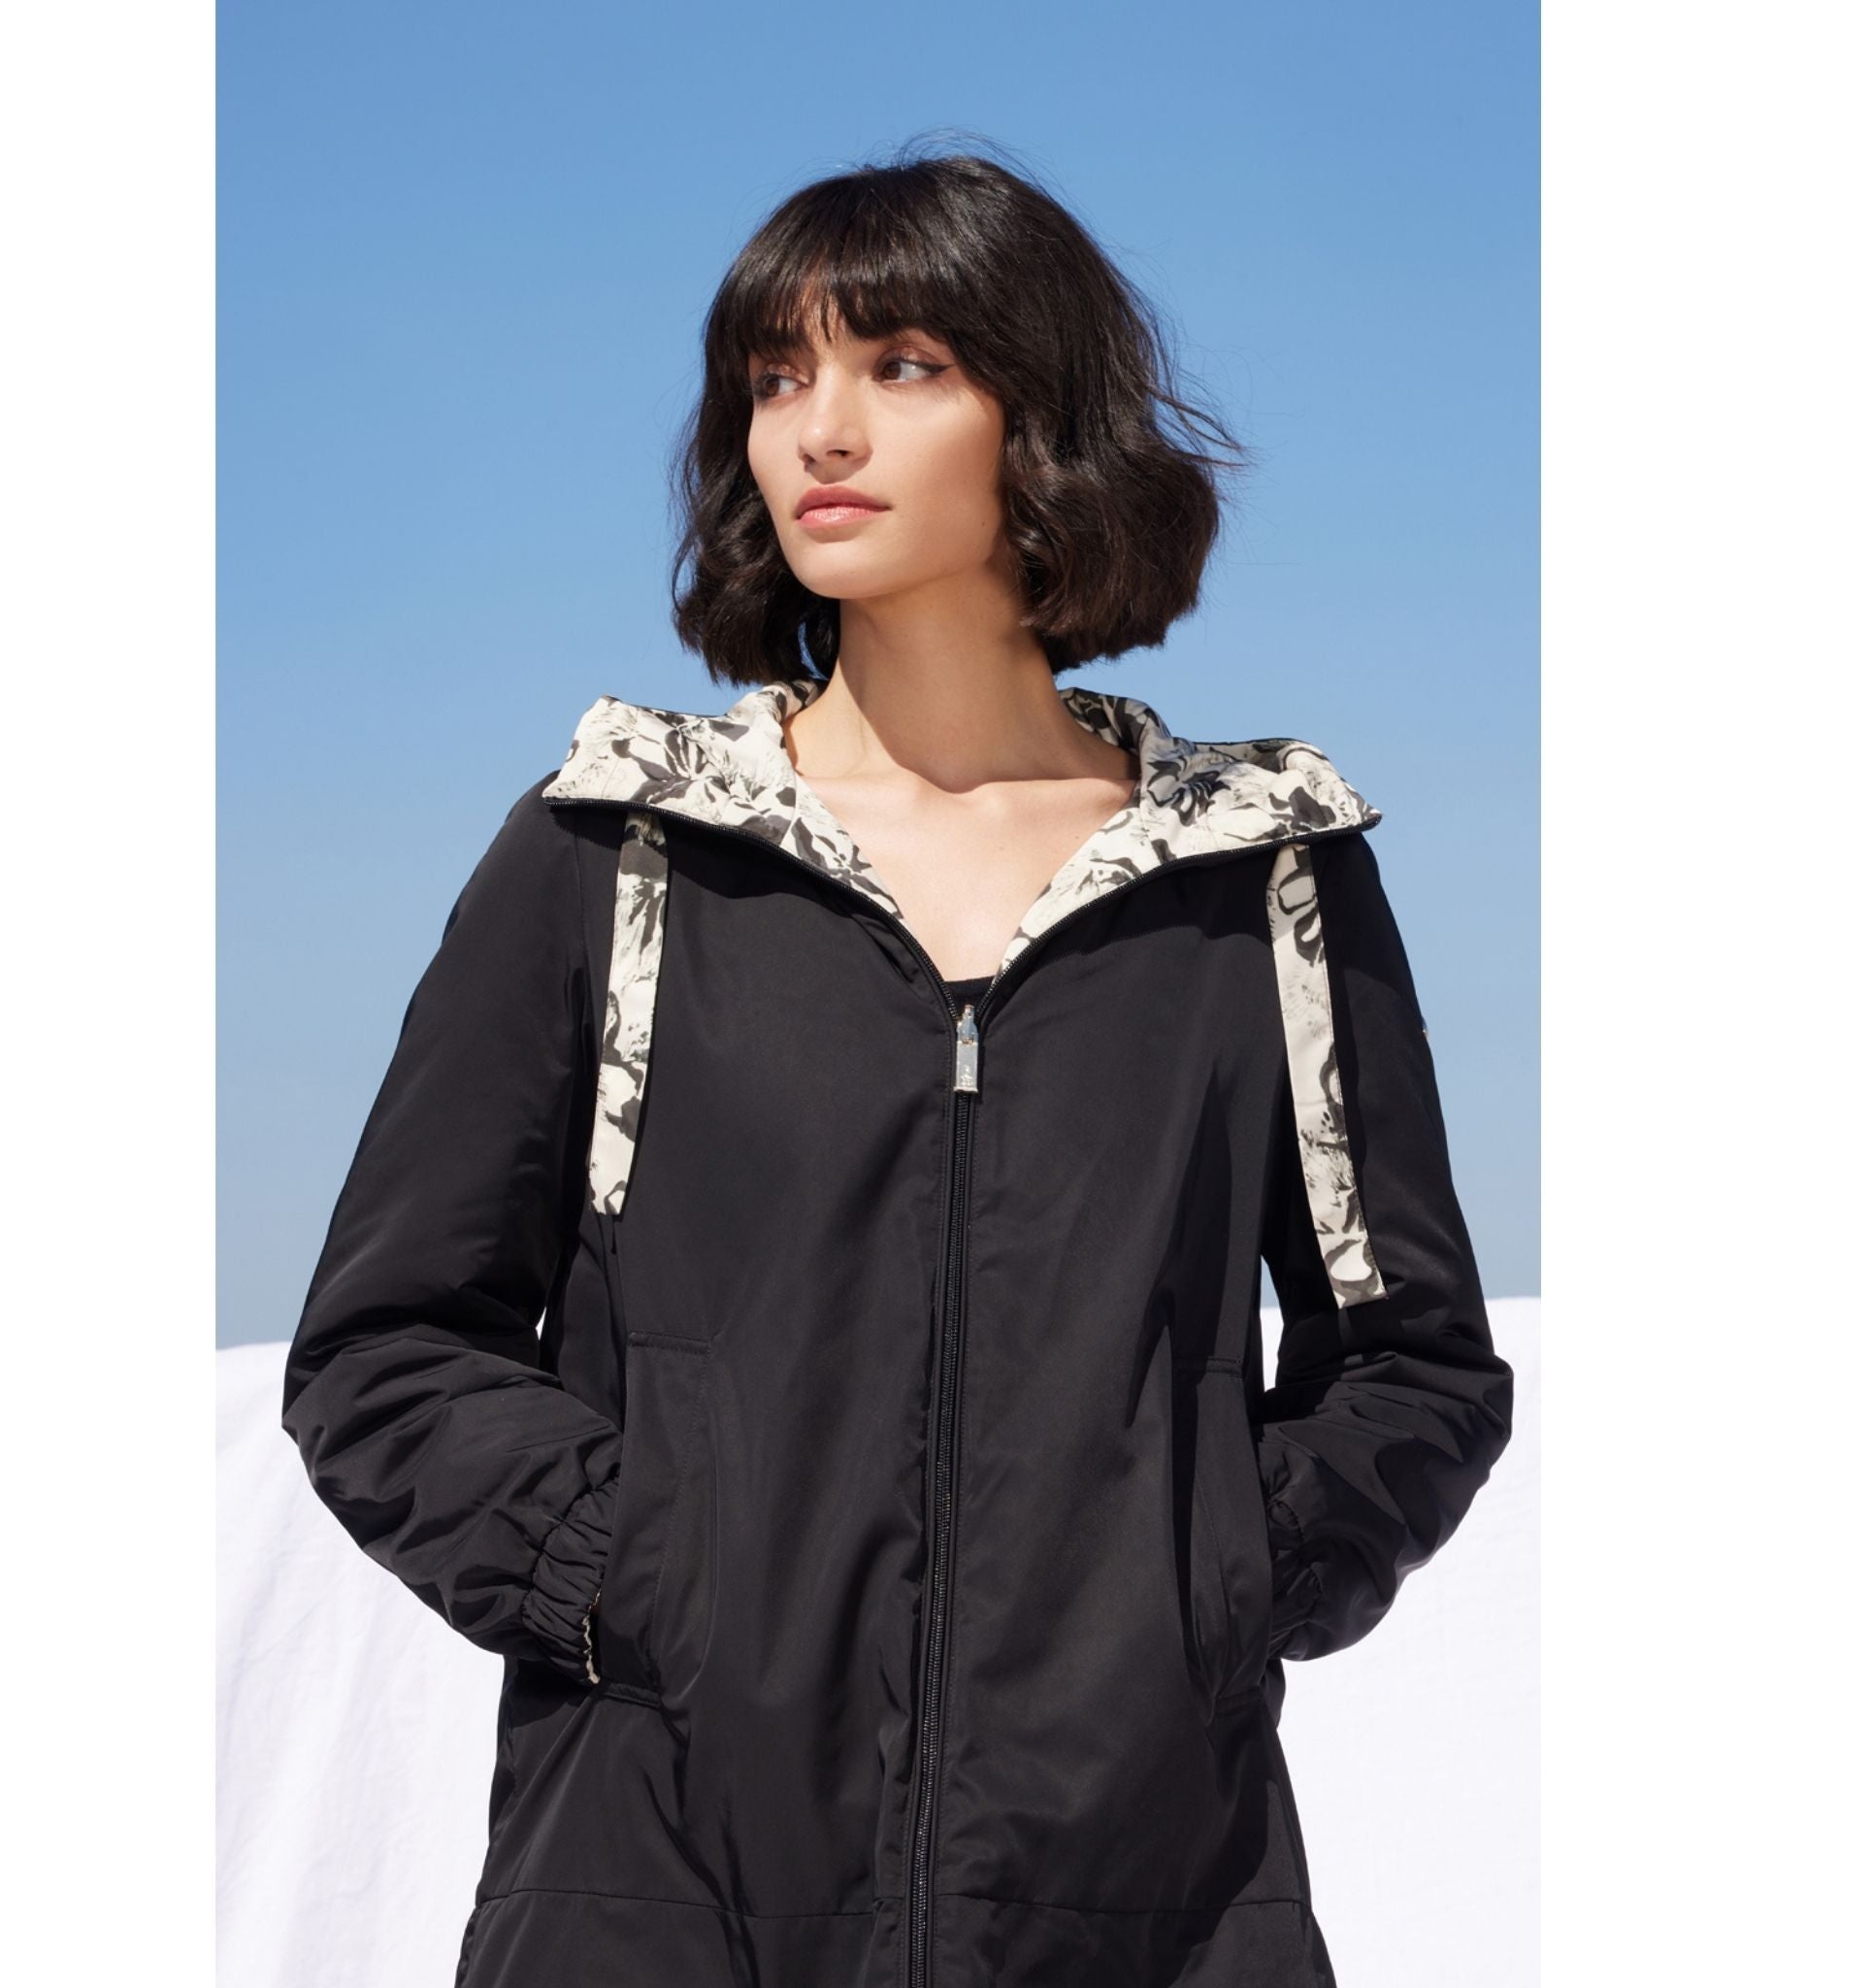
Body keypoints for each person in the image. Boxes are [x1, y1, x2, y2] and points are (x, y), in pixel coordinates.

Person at [281, 145, 1515, 1988]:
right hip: (655, 1899)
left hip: (1151, 1908)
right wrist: (649, 1574)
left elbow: (1410, 1360)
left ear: (1047, 413)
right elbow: (386, 1349)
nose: (820, 430)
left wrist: (1206, 1581)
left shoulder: (1259, 878)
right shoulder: (618, 851)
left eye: (903, 365)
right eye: (776, 376)